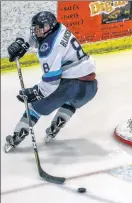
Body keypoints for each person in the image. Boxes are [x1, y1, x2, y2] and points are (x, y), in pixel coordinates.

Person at [4, 11, 98, 153]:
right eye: (35, 28)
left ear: (48, 27)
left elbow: (52, 82)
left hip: (70, 86)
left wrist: (35, 92)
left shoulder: (49, 48)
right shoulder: (60, 28)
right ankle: (56, 126)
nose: (36, 31)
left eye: (39, 28)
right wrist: (23, 43)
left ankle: (17, 136)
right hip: (90, 87)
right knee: (70, 102)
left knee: (34, 107)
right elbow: (38, 36)